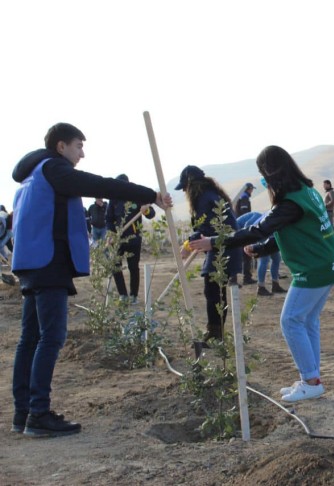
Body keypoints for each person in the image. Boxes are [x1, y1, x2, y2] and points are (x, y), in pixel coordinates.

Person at [10, 122, 171, 437]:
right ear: (61, 146)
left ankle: (24, 413)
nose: (82, 154)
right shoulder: (54, 170)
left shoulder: (32, 175)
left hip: (31, 263)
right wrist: (150, 195)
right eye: (78, 146)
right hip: (48, 261)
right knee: (51, 337)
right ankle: (39, 415)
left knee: (29, 339)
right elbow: (102, 185)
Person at [189, 146, 334, 403]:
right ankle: (312, 378)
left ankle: (310, 381)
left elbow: (259, 229)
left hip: (313, 268)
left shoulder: (291, 201)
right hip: (326, 264)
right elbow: (289, 232)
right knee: (307, 321)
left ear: (271, 173)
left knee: (290, 320)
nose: (262, 180)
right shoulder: (306, 192)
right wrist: (262, 249)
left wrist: (214, 242)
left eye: (262, 174)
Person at [176, 165, 243, 341]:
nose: (184, 191)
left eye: (184, 187)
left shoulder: (203, 198)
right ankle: (216, 332)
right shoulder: (213, 194)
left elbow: (204, 227)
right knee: (215, 291)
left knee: (213, 292)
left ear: (191, 185)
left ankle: (215, 333)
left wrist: (187, 246)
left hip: (222, 247)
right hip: (225, 245)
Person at [105, 175, 156, 305]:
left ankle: (134, 295)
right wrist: (111, 233)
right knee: (115, 267)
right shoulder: (114, 198)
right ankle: (123, 295)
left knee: (133, 267)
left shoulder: (136, 195)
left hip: (133, 238)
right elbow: (109, 218)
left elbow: (151, 214)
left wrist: (146, 210)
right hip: (117, 240)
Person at [236, 209, 287, 297]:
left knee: (276, 258)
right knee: (264, 259)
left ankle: (275, 284)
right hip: (258, 234)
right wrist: (250, 243)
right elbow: (248, 226)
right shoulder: (258, 216)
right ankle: (261, 287)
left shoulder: (279, 216)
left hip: (268, 234)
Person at [234, 182, 257, 284]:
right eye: (251, 189)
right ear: (248, 189)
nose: (252, 191)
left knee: (238, 254)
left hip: (238, 226)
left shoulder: (242, 197)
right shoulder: (244, 198)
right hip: (241, 228)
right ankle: (246, 278)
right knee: (245, 253)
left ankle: (237, 279)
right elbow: (245, 213)